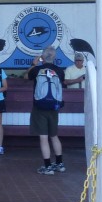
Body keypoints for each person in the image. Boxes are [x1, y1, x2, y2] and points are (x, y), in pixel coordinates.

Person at [27, 45, 66, 175]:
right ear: (54, 57)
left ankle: (48, 166)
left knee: (43, 138)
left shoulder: (37, 70)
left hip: (40, 107)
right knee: (54, 136)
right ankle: (60, 164)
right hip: (54, 108)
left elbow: (26, 76)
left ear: (42, 57)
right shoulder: (60, 71)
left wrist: (34, 63)